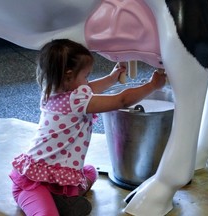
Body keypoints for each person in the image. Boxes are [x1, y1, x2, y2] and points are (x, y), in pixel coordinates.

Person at [9, 39, 166, 216]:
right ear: (68, 77)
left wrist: (111, 78)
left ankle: (61, 198)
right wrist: (152, 85)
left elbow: (88, 88)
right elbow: (121, 100)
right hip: (32, 183)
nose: (87, 81)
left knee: (90, 172)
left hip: (53, 173)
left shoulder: (54, 89)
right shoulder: (76, 101)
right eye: (85, 76)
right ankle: (55, 201)